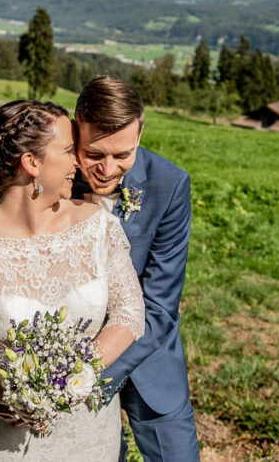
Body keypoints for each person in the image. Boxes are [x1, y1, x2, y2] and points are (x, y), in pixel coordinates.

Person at [0, 100, 145, 461]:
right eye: (69, 151)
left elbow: (129, 313)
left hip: (90, 431)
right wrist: (10, 392)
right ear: (32, 163)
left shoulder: (99, 227)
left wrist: (77, 377)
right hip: (9, 438)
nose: (78, 162)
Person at [72, 76, 201, 462]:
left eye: (122, 155)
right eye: (94, 154)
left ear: (140, 134)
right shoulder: (53, 177)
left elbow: (160, 306)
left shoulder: (170, 184)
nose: (108, 169)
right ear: (76, 131)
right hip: (70, 352)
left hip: (149, 357)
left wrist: (93, 375)